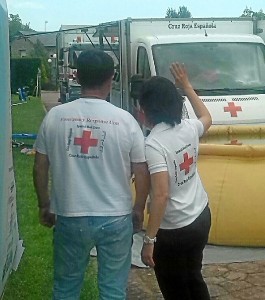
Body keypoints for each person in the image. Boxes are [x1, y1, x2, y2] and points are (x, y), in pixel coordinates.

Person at [33, 49, 150, 300]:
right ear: (112, 78)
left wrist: (45, 204)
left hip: (70, 214)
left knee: (65, 288)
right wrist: (139, 208)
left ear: (76, 76)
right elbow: (141, 170)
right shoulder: (126, 121)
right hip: (116, 217)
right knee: (113, 290)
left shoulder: (55, 116)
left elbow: (40, 165)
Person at [139, 62, 212, 300]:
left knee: (175, 290)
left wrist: (149, 239)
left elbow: (161, 195)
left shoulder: (154, 144)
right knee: (193, 276)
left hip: (174, 231)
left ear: (146, 110)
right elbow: (207, 117)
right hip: (201, 216)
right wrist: (187, 86)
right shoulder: (188, 128)